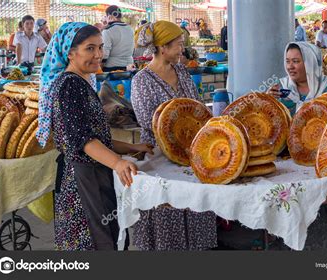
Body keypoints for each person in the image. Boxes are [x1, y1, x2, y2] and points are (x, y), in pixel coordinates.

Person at [37, 22, 153, 250]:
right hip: (83, 180)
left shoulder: (81, 82)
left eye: (100, 47)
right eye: (90, 48)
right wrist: (118, 163)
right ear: (70, 53)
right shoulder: (70, 86)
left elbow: (98, 137)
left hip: (93, 174)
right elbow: (84, 140)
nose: (98, 55)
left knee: (105, 238)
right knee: (96, 242)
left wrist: (132, 148)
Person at [131, 20, 217, 251]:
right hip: (160, 155)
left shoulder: (181, 70)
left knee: (195, 202)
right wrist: (179, 131)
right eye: (178, 44)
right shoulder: (142, 81)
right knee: (167, 208)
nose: (182, 49)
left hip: (192, 153)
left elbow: (196, 106)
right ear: (162, 48)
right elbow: (148, 121)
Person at [266, 42, 327, 250]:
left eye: (296, 61)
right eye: (287, 62)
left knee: (323, 207)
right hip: (292, 162)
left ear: (309, 63)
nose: (290, 67)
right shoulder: (281, 89)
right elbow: (273, 129)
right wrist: (269, 103)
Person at [102, 5, 134, 72]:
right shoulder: (130, 29)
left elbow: (105, 53)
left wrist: (100, 65)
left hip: (112, 68)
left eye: (106, 16)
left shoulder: (108, 31)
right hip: (130, 66)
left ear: (109, 16)